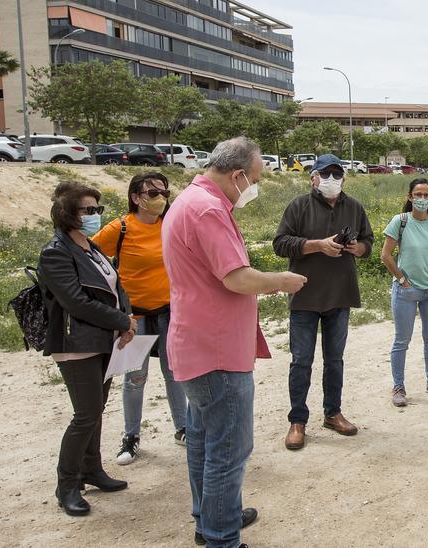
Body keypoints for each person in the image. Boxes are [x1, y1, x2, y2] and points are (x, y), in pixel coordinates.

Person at [162, 137, 307, 548]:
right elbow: (237, 278)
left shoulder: (189, 201)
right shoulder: (208, 209)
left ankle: (210, 516)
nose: (254, 188)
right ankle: (221, 537)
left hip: (197, 343)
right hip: (217, 352)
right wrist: (281, 281)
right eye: (254, 180)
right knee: (229, 450)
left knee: (204, 440)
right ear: (237, 175)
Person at [37, 181, 137, 516]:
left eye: (98, 209)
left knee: (97, 409)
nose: (95, 215)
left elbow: (115, 283)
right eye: (88, 210)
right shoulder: (55, 252)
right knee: (85, 415)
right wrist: (121, 321)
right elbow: (76, 303)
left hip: (102, 340)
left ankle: (91, 469)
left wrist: (127, 314)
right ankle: (67, 484)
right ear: (68, 213)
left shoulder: (90, 247)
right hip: (76, 343)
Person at [272, 154, 373, 450]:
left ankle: (333, 413)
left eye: (337, 174)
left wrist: (357, 248)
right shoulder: (298, 206)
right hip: (304, 295)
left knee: (335, 360)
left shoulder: (353, 206)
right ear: (312, 178)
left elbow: (369, 242)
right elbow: (280, 244)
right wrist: (317, 245)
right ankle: (297, 420)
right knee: (301, 361)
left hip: (340, 295)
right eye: (325, 174)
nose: (332, 180)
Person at [92, 172, 185, 465]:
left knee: (176, 374)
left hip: (169, 312)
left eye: (163, 192)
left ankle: (183, 428)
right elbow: (89, 258)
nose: (159, 198)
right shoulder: (119, 228)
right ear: (135, 197)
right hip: (135, 318)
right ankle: (131, 437)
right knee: (135, 378)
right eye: (152, 192)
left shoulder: (170, 224)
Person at [380, 178, 428, 407]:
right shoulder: (400, 221)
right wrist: (402, 280)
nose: (422, 199)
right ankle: (398, 387)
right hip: (406, 291)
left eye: (427, 195)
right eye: (418, 194)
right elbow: (386, 255)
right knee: (401, 341)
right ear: (410, 197)